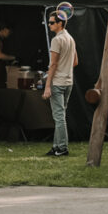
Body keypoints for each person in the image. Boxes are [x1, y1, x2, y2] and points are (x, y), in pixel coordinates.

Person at [42, 11, 76, 157]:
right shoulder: (70, 38)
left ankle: (62, 147)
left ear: (60, 23)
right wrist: (65, 69)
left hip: (58, 83)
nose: (49, 25)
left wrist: (47, 86)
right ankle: (56, 146)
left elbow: (53, 64)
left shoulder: (57, 40)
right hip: (68, 82)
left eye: (51, 22)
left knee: (59, 117)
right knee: (60, 116)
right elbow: (75, 62)